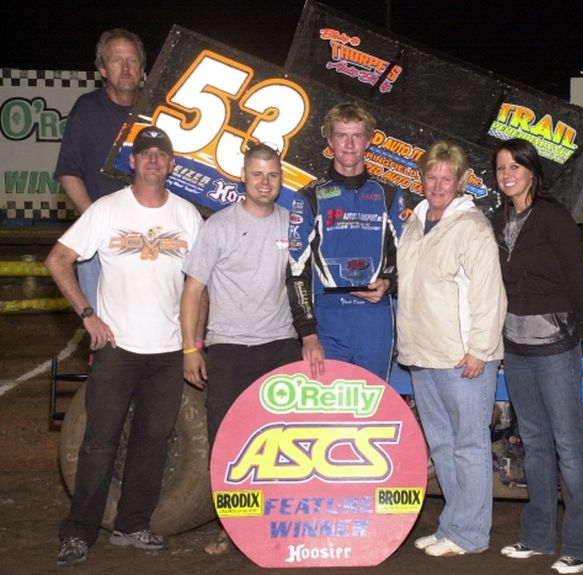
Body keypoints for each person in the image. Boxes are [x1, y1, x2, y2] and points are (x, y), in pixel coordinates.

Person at [46, 126, 203, 567]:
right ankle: (78, 533)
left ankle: (132, 525)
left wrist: (193, 341)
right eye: (145, 153)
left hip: (169, 351)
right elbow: (57, 260)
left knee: (153, 442)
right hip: (118, 348)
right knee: (99, 441)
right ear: (132, 162)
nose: (153, 160)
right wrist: (86, 313)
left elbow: (199, 285)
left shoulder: (188, 215)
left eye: (162, 154)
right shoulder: (106, 210)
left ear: (172, 164)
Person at [180, 142, 302, 555]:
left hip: (281, 346)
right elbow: (192, 290)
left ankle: (277, 523)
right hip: (229, 347)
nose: (265, 182)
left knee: (282, 442)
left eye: (273, 175)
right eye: (257, 175)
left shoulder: (293, 224)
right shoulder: (219, 225)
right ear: (243, 178)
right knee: (231, 444)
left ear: (281, 179)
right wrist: (190, 349)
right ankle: (231, 527)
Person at [491, 138, 583, 574]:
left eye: (515, 165)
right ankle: (537, 538)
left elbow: (579, 279)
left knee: (569, 444)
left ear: (532, 171)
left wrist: (572, 332)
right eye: (500, 168)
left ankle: (582, 547)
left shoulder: (552, 216)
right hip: (514, 348)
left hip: (554, 347)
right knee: (533, 443)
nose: (507, 173)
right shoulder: (498, 220)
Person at [396, 141, 506, 557]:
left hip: (464, 358)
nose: (438, 185)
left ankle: (471, 534)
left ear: (461, 182)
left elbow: (490, 294)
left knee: (469, 445)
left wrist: (480, 349)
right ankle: (450, 528)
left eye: (447, 178)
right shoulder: (416, 221)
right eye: (432, 177)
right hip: (422, 354)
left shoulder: (473, 228)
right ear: (422, 179)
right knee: (442, 446)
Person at [287, 101, 404, 381]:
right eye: (341, 135)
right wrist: (308, 334)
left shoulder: (388, 195)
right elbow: (295, 271)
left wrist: (389, 283)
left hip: (375, 318)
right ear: (329, 140)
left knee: (372, 408)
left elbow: (406, 259)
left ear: (369, 140)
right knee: (327, 413)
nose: (349, 144)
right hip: (328, 319)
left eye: (357, 136)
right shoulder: (308, 198)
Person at [55, 28, 146, 311]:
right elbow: (68, 172)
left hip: (152, 239)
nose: (126, 67)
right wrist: (97, 223)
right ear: (102, 69)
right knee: (101, 329)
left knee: (151, 323)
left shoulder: (156, 110)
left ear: (142, 68)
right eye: (117, 60)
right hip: (99, 243)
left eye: (132, 60)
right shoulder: (86, 109)